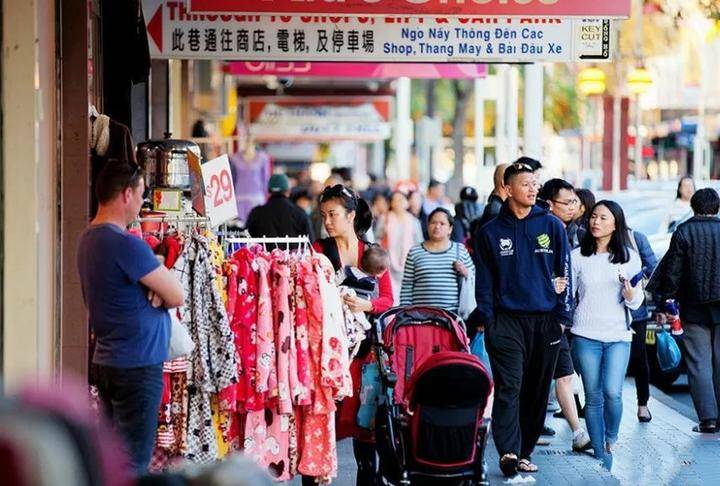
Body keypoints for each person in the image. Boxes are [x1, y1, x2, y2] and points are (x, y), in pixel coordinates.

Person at [77, 162, 185, 474]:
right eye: (140, 195)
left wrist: (153, 281)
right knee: (134, 461)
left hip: (110, 360)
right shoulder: (125, 243)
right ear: (126, 194)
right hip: (137, 364)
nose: (141, 203)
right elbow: (177, 294)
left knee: (114, 458)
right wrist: (158, 284)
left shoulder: (88, 239)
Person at [474, 162, 573, 477]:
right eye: (525, 184)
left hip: (546, 322)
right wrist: (489, 319)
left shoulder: (552, 226)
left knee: (536, 389)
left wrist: (562, 317)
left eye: (535, 183)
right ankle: (509, 451)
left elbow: (564, 270)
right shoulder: (490, 232)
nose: (532, 189)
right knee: (510, 385)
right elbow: (484, 282)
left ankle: (524, 451)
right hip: (505, 322)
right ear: (508, 189)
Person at [310, 184, 394, 486]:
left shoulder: (371, 253)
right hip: (325, 352)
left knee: (365, 424)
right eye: (323, 216)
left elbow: (388, 299)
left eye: (333, 215)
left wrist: (367, 305)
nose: (327, 222)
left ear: (351, 215)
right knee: (322, 423)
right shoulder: (319, 250)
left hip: (364, 352)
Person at [571, 200, 643, 467]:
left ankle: (611, 437)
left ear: (615, 224)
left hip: (618, 336)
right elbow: (569, 296)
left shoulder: (629, 257)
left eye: (603, 217)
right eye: (593, 216)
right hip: (585, 334)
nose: (596, 222)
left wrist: (630, 294)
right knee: (593, 396)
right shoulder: (577, 257)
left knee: (613, 392)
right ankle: (600, 451)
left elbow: (637, 302)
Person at [648, 188, 720, 433]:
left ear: (693, 206)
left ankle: (708, 419)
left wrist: (666, 302)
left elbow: (673, 272)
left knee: (699, 363)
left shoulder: (684, 231)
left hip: (693, 307)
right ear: (717, 208)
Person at [537, 179, 590, 452]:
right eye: (566, 202)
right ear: (549, 204)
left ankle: (578, 432)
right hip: (543, 317)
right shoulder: (542, 230)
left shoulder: (572, 231)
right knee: (539, 377)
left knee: (564, 374)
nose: (572, 207)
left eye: (574, 202)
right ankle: (530, 429)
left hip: (561, 316)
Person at [400, 208, 475, 313]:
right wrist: (406, 312)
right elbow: (406, 286)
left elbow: (474, 277)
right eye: (433, 223)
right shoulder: (415, 251)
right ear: (428, 225)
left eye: (442, 224)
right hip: (420, 316)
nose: (437, 226)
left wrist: (465, 271)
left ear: (450, 229)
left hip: (451, 315)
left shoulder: (459, 250)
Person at [625, 226, 658, 423]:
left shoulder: (636, 238)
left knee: (638, 357)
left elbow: (653, 272)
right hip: (604, 313)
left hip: (636, 311)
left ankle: (642, 404)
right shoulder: (591, 239)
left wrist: (661, 305)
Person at [245, 173, 315, 246]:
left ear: (269, 191)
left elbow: (246, 240)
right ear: (288, 191)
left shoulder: (256, 213)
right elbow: (310, 243)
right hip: (293, 253)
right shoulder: (300, 213)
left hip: (263, 253)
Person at [383, 191, 424, 302]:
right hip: (387, 264)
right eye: (395, 200)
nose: (398, 203)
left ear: (407, 202)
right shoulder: (385, 219)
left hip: (408, 265)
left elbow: (419, 243)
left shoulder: (414, 221)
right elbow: (376, 239)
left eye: (401, 199)